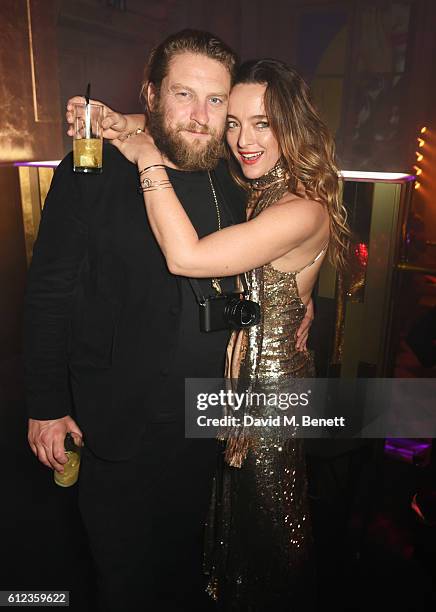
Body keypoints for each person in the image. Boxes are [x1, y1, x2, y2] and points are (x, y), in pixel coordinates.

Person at [25, 31, 313, 612]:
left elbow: (240, 282)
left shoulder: (237, 177)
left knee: (185, 570)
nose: (201, 117)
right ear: (151, 93)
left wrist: (292, 306)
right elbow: (50, 290)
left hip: (206, 424)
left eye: (216, 102)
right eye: (184, 94)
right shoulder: (95, 166)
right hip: (117, 414)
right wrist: (46, 402)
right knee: (121, 577)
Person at [107, 58, 350, 611]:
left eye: (262, 123)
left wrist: (146, 158)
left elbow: (186, 257)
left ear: (292, 124)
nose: (241, 139)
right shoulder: (264, 183)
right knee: (230, 532)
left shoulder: (299, 208)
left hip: (268, 400)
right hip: (243, 383)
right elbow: (187, 129)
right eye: (234, 121)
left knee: (268, 533)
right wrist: (116, 121)